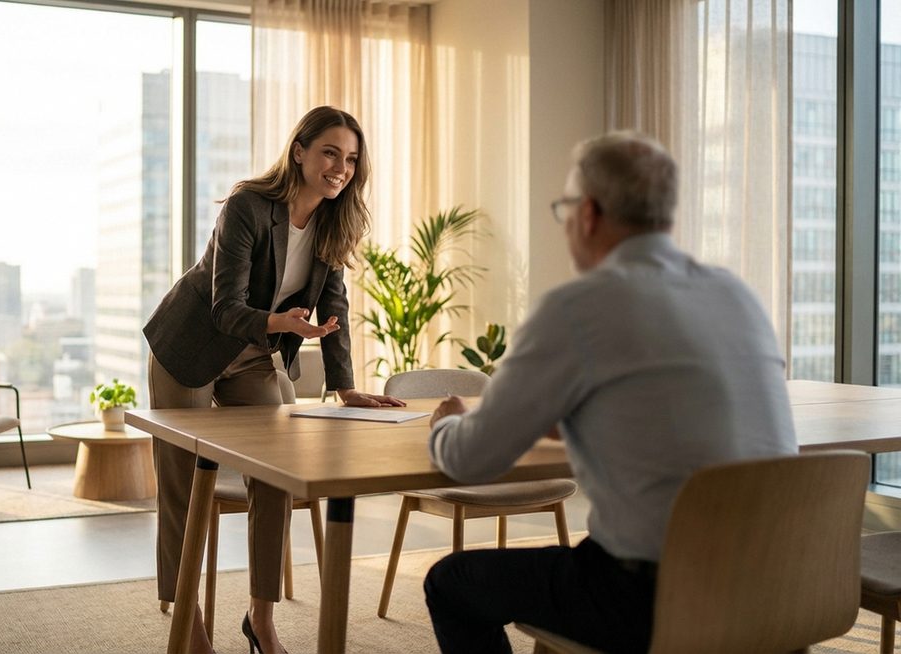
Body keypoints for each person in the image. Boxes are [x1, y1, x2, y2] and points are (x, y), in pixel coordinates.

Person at [422, 131, 798, 654]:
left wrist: (445, 422)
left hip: (652, 599)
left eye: (564, 209)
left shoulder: (579, 307)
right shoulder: (737, 294)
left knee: (452, 583)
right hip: (778, 586)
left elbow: (470, 459)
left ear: (589, 213)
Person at [143, 105, 404, 654]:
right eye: (330, 152)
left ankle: (259, 619)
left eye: (350, 158)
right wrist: (281, 323)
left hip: (255, 352)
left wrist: (344, 386)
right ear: (299, 152)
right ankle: (188, 623)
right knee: (183, 483)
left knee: (277, 472)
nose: (340, 168)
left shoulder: (334, 220)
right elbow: (224, 306)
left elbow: (334, 306)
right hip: (192, 345)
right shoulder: (249, 206)